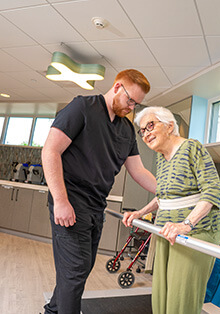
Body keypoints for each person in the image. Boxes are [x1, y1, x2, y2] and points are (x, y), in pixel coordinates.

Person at [42, 69, 157, 314]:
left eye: (137, 104)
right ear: (117, 87)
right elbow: (50, 151)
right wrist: (60, 200)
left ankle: (52, 310)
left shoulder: (126, 130)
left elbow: (139, 171)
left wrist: (170, 189)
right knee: (74, 272)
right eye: (130, 101)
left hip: (96, 207)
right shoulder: (82, 108)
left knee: (80, 269)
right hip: (70, 201)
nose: (132, 107)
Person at [123, 106, 220, 314]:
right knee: (162, 292)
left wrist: (186, 225)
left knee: (181, 297)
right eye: (142, 131)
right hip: (166, 230)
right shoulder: (162, 157)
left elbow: (212, 190)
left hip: (195, 231)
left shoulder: (191, 147)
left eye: (151, 125)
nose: (146, 133)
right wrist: (140, 213)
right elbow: (164, 196)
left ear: (169, 126)